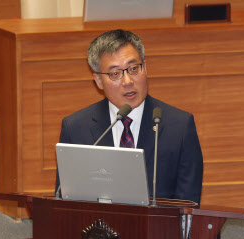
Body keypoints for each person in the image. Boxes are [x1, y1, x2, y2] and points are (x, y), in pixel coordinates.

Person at [56, 29, 203, 204]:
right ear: (98, 81)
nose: (127, 81)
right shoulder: (75, 128)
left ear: (145, 68)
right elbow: (65, 199)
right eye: (115, 73)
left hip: (159, 229)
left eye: (134, 68)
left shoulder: (179, 126)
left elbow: (188, 204)